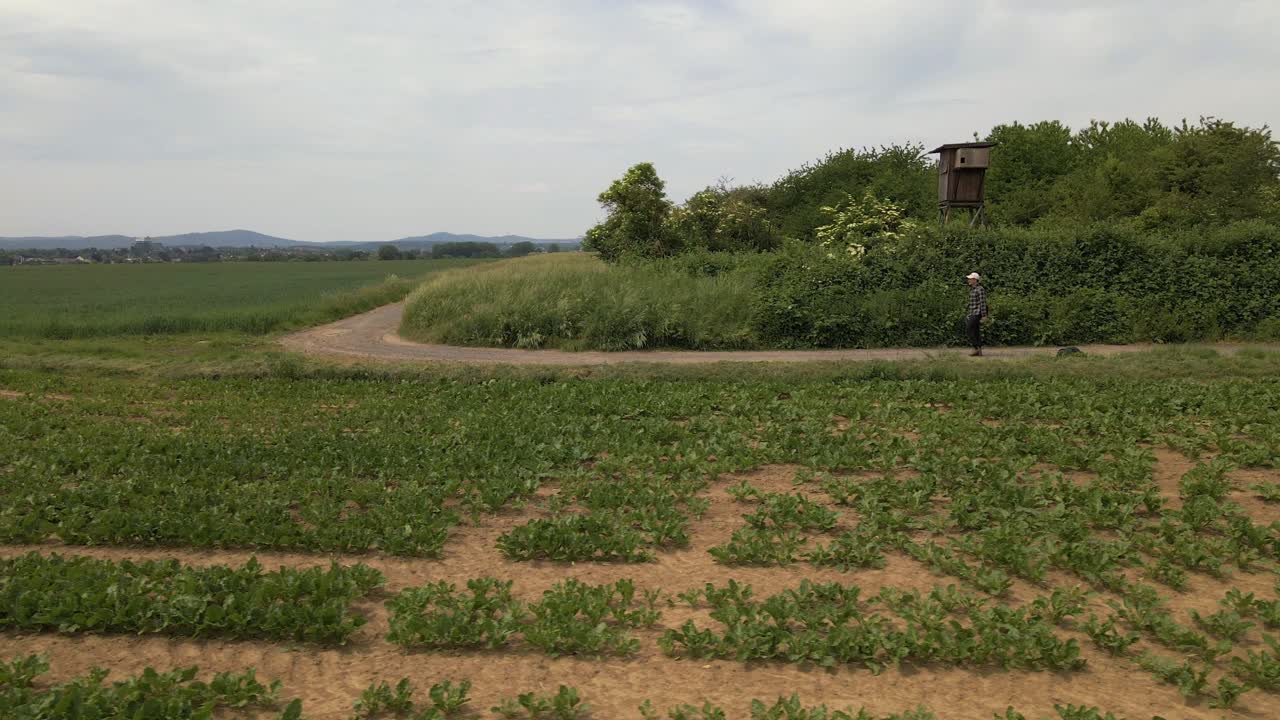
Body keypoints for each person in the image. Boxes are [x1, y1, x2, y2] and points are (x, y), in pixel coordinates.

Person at [965, 272, 988, 356]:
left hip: (977, 313)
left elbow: (983, 303)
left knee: (969, 329)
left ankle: (976, 347)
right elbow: (972, 303)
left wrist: (984, 315)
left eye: (970, 279)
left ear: (975, 280)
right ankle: (979, 350)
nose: (968, 280)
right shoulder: (972, 289)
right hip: (972, 312)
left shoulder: (980, 289)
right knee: (975, 330)